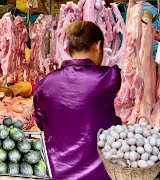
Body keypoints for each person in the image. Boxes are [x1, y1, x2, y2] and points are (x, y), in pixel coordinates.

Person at [33, 21, 121, 180]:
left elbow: (40, 121)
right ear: (98, 46)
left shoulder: (46, 83)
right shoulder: (109, 77)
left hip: (57, 171)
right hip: (100, 173)